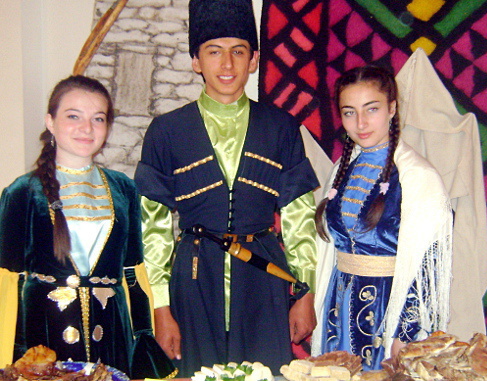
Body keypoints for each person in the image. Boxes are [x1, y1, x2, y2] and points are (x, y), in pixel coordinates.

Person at [134, 0, 319, 376]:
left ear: (253, 60)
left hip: (264, 281)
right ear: (196, 61)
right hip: (194, 279)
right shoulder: (165, 132)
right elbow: (152, 229)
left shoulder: (282, 128)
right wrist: (161, 307)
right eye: (213, 52)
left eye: (238, 51)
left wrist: (305, 293)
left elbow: (300, 218)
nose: (227, 64)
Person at [0, 75, 176, 379]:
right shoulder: (22, 192)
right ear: (50, 122)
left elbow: (134, 274)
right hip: (44, 341)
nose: (87, 128)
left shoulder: (124, 190)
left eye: (98, 118)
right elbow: (7, 282)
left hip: (111, 340)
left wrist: (143, 340)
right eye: (73, 116)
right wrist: (6, 355)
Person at [310, 65, 453, 370]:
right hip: (337, 307)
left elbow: (428, 265)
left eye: (371, 109)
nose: (360, 123)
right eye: (349, 112)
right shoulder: (341, 170)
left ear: (391, 108)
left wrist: (406, 333)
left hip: (386, 312)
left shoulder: (419, 178)